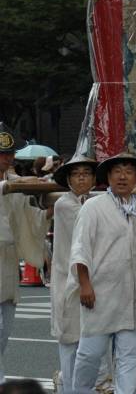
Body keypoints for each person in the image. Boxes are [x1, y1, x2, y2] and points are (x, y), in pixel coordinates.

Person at [69, 152, 136, 394]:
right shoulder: (93, 207)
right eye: (117, 171)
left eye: (128, 172)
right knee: (90, 354)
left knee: (130, 357)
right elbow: (80, 247)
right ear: (108, 177)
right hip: (100, 293)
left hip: (134, 295)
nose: (122, 177)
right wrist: (85, 284)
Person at [50, 154, 110, 394]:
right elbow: (89, 222)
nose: (81, 178)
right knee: (70, 341)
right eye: (76, 174)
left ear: (94, 179)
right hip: (68, 280)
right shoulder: (65, 204)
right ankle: (67, 386)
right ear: (68, 180)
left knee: (94, 340)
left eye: (86, 173)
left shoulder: (98, 201)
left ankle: (93, 386)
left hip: (94, 279)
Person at [0, 123, 50, 385]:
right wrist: (16, 183)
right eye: (1, 154)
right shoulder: (12, 184)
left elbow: (30, 219)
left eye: (9, 153)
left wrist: (47, 213)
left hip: (7, 263)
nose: (6, 158)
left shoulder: (15, 184)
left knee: (5, 332)